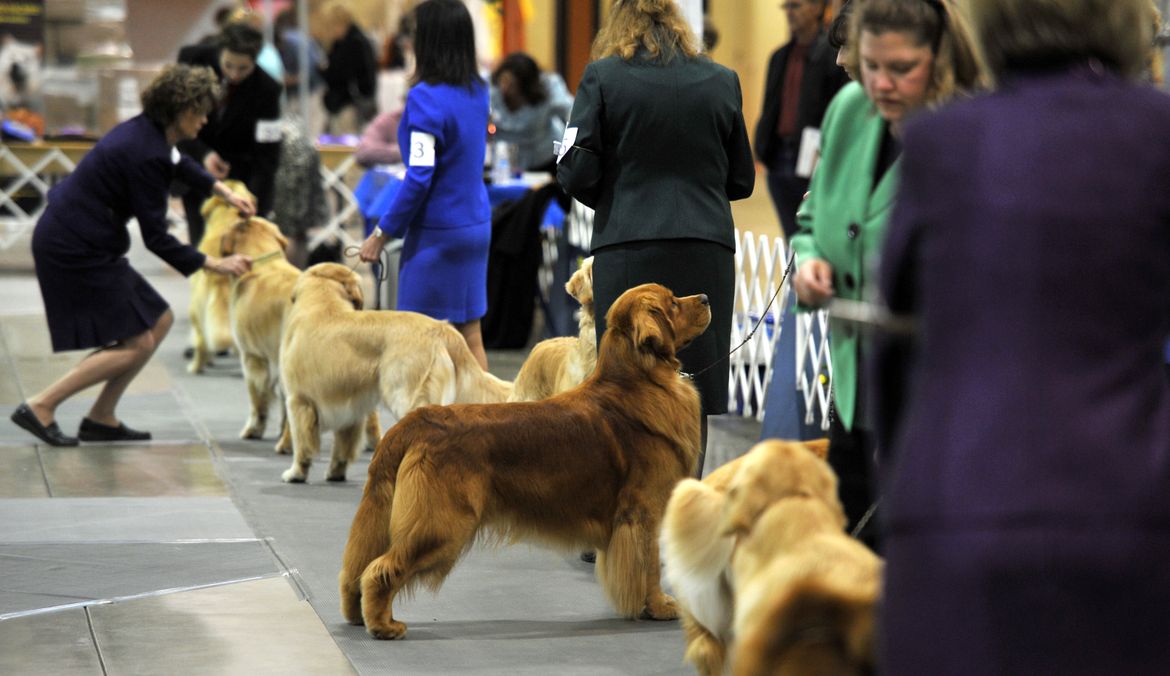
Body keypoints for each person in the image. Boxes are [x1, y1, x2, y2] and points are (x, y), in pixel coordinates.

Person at [873, 1, 1170, 672]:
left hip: (955, 520)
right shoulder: (1157, 136)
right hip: (1124, 518)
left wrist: (906, 497)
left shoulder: (937, 144)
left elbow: (894, 353)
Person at [788, 0, 982, 547]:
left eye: (901, 69)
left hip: (935, 390)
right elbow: (810, 222)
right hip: (852, 383)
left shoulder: (970, 133)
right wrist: (811, 263)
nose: (881, 84)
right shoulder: (849, 109)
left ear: (940, 60)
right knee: (849, 558)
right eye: (871, 66)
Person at [557, 0, 755, 478]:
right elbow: (742, 179)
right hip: (705, 247)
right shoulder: (722, 80)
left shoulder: (602, 78)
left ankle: (615, 517)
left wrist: (614, 199)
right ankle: (685, 515)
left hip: (627, 245)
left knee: (620, 385)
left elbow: (573, 168)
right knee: (694, 387)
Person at [9, 65, 253, 447]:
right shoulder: (145, 154)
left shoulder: (150, 133)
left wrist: (222, 191)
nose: (205, 119)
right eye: (200, 110)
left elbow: (178, 162)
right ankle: (41, 404)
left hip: (81, 237)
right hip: (73, 245)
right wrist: (213, 264)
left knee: (159, 320)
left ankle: (101, 417)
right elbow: (156, 237)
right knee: (138, 341)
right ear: (180, 110)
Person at [358, 0, 492, 370]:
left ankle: (424, 425)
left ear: (427, 41)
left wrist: (381, 233)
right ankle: (490, 423)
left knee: (415, 337)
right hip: (476, 224)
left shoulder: (424, 99)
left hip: (438, 235)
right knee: (470, 334)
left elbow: (419, 177)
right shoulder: (478, 91)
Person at [177, 22, 283, 247]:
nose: (235, 74)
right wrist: (204, 154)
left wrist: (255, 204)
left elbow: (268, 155)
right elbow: (176, 119)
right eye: (229, 65)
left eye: (243, 68)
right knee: (202, 248)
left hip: (238, 181)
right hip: (193, 170)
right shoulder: (191, 61)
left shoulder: (268, 90)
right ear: (219, 53)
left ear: (255, 61)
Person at [755, 0, 851, 239]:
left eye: (796, 6)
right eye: (786, 7)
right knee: (791, 235)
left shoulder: (833, 57)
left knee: (813, 233)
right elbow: (770, 107)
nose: (789, 12)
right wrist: (762, 148)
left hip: (814, 159)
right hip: (778, 158)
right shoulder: (779, 56)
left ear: (818, 8)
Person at [489, 52, 574, 173]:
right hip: (503, 161)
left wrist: (574, 147)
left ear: (527, 87)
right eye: (503, 81)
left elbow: (572, 113)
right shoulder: (489, 88)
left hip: (544, 156)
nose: (505, 88)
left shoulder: (549, 87)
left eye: (512, 85)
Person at [318, 0, 379, 135]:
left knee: (346, 147)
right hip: (343, 104)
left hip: (350, 106)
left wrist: (326, 71)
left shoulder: (354, 44)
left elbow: (347, 74)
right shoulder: (345, 42)